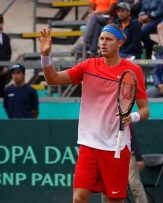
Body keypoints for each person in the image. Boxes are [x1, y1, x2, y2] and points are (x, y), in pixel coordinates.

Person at [38, 24, 150, 203]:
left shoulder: (133, 71)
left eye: (108, 39)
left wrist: (133, 117)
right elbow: (53, 79)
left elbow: (145, 110)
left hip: (117, 148)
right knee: (79, 198)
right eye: (101, 39)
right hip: (88, 145)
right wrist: (45, 56)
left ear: (119, 43)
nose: (103, 43)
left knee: (114, 201)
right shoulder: (88, 66)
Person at [129, 125, 148, 203]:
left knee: (134, 183)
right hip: (110, 155)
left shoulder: (124, 118)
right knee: (107, 185)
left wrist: (139, 158)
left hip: (129, 154)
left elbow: (133, 137)